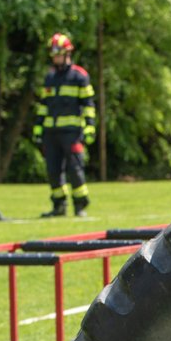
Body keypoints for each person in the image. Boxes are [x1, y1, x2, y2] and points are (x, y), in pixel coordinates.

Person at [33, 32, 98, 217]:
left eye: (58, 54)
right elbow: (43, 105)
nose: (55, 58)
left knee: (75, 169)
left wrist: (90, 126)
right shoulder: (50, 77)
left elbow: (88, 104)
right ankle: (58, 206)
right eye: (53, 54)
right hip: (51, 133)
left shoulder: (79, 76)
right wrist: (38, 128)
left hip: (72, 132)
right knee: (53, 171)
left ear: (67, 53)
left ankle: (80, 206)